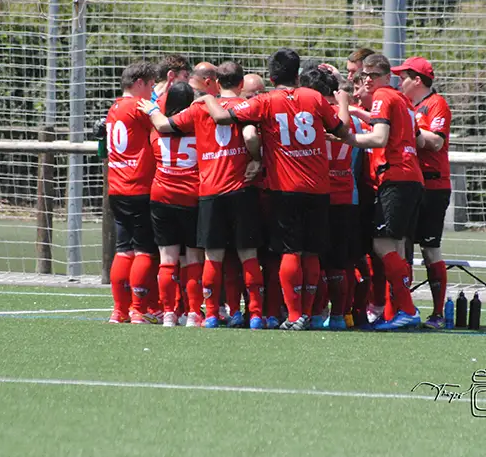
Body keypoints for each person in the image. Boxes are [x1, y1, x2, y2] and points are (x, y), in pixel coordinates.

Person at [202, 48, 353, 330]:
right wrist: (343, 98)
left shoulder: (265, 101)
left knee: (290, 252)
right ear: (297, 75)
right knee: (312, 253)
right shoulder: (315, 98)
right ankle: (310, 314)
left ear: (271, 77)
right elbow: (341, 128)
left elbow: (224, 117)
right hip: (319, 188)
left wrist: (208, 97)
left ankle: (294, 316)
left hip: (284, 187)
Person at [139, 61, 265, 329]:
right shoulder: (249, 106)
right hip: (241, 188)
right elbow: (251, 134)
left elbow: (163, 125)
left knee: (212, 257)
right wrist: (256, 160)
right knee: (247, 255)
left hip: (208, 191)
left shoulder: (197, 109)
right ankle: (254, 314)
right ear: (241, 84)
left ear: (217, 83)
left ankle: (206, 314)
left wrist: (150, 107)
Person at [342, 53, 425, 331]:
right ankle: (399, 310)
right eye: (365, 76)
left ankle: (408, 310)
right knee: (397, 248)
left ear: (386, 77)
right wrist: (358, 113)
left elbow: (379, 138)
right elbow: (407, 134)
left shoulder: (383, 97)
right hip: (411, 177)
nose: (368, 81)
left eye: (373, 76)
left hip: (396, 177)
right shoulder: (401, 100)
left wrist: (347, 137)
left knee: (382, 244)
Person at [299, 68, 363, 331]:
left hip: (316, 192)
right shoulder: (352, 120)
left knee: (313, 258)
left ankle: (314, 313)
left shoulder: (308, 116)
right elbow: (357, 157)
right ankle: (339, 316)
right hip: (346, 193)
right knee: (339, 262)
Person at [392, 56, 452, 329]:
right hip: (410, 184)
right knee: (401, 246)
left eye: (403, 76)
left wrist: (410, 130)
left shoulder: (436, 104)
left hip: (433, 186)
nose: (398, 81)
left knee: (430, 249)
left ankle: (438, 313)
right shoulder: (407, 104)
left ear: (417, 80)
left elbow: (436, 142)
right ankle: (403, 309)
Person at [141, 82, 204, 327]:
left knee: (167, 259)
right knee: (193, 259)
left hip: (162, 195)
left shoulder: (156, 129)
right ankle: (193, 313)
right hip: (191, 196)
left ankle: (168, 313)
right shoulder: (198, 127)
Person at [104, 61, 161, 324]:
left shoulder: (114, 107)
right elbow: (162, 126)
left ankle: (119, 310)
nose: (152, 91)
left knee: (123, 249)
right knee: (144, 251)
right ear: (139, 83)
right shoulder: (139, 107)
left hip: (116, 187)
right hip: (139, 186)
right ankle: (139, 309)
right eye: (150, 85)